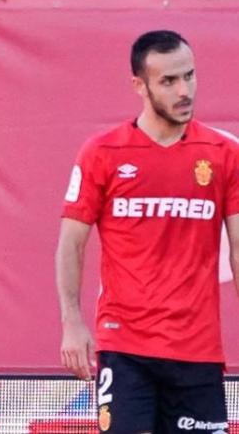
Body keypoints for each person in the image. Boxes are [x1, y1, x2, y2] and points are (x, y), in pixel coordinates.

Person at [56, 30, 239, 433]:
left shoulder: (223, 155)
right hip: (125, 347)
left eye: (189, 76)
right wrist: (72, 322)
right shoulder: (103, 153)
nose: (184, 91)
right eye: (168, 81)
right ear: (140, 86)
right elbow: (72, 243)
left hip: (198, 349)